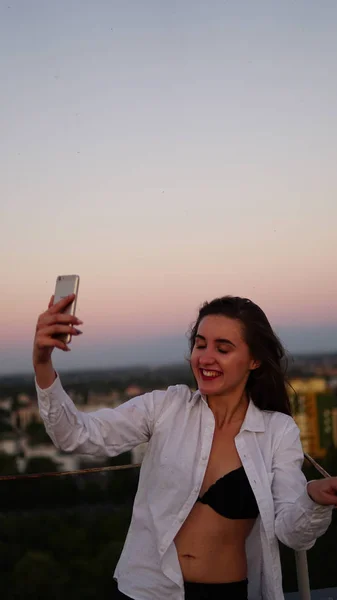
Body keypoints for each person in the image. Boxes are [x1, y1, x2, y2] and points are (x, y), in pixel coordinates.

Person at [33, 294, 337, 600]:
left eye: (223, 348)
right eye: (200, 344)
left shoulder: (277, 431)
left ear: (254, 360)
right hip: (146, 591)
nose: (205, 358)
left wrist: (314, 497)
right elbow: (76, 435)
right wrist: (42, 362)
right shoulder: (166, 407)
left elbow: (293, 533)